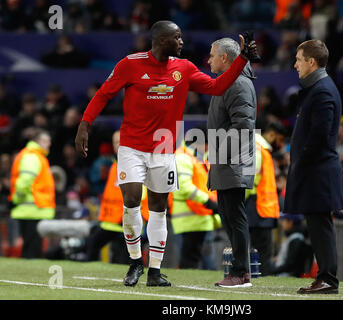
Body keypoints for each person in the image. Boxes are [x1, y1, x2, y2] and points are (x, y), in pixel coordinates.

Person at [75, 20, 258, 287]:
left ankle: (155, 271)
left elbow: (217, 87)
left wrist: (242, 59)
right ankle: (136, 261)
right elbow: (103, 94)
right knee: (132, 200)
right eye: (178, 37)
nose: (183, 42)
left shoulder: (184, 68)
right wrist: (84, 124)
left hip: (163, 148)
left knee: (159, 209)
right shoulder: (130, 64)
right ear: (162, 40)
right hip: (132, 145)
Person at [284, 39, 343, 294]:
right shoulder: (319, 87)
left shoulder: (322, 90)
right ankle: (325, 277)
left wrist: (301, 161)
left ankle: (328, 278)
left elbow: (319, 136)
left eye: (299, 59)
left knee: (321, 227)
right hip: (316, 169)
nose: (295, 64)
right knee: (318, 225)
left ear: (312, 61)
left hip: (318, 171)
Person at [206, 37, 257, 288]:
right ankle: (239, 272)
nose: (209, 60)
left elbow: (243, 125)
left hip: (233, 161)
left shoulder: (237, 83)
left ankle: (240, 273)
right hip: (228, 160)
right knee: (229, 216)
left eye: (212, 55)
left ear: (224, 58)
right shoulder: (230, 82)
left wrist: (220, 154)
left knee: (235, 217)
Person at [86, 131, 149, 264]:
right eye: (116, 142)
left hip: (125, 221)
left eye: (122, 141)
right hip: (110, 221)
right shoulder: (115, 165)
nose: (119, 144)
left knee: (123, 260)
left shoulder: (135, 164)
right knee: (93, 246)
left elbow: (141, 193)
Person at [170, 125, 221, 269]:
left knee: (194, 259)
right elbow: (185, 187)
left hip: (199, 217)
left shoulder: (196, 158)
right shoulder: (183, 158)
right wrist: (207, 201)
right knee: (190, 260)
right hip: (189, 218)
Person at [8, 129, 55, 258]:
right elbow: (24, 181)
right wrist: (18, 198)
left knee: (32, 247)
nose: (49, 144)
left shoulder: (34, 156)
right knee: (32, 249)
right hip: (31, 209)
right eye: (46, 141)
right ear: (37, 142)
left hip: (33, 209)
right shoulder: (32, 157)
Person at [245, 131, 280, 276]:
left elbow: (249, 178)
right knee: (263, 250)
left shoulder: (255, 147)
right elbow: (251, 177)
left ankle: (258, 275)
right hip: (261, 206)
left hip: (257, 205)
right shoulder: (259, 148)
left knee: (257, 248)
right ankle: (262, 275)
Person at [271, 213, 312, 277]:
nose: (282, 223)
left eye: (283, 220)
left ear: (290, 222)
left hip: (287, 275)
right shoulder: (294, 237)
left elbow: (290, 264)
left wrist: (271, 270)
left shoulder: (296, 239)